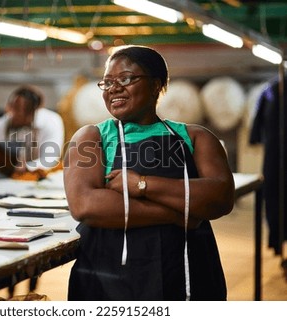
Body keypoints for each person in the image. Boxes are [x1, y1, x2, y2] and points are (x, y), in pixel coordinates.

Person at [63, 45, 235, 301]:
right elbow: (86, 205)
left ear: (156, 85)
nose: (114, 88)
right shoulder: (91, 137)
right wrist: (180, 213)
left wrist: (142, 184)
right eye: (107, 82)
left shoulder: (195, 136)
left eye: (125, 79)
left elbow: (220, 196)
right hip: (110, 278)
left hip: (187, 269)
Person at [249, 77, 287, 256]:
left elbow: (257, 123)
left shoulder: (270, 90)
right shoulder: (271, 90)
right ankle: (277, 239)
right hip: (274, 155)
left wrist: (255, 135)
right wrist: (255, 134)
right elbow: (258, 121)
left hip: (274, 154)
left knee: (274, 196)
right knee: (273, 195)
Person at [0, 85, 64, 175]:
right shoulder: (2, 123)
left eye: (18, 109)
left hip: (43, 177)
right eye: (12, 107)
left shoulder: (51, 121)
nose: (12, 113)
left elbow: (50, 159)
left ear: (34, 111)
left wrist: (28, 167)